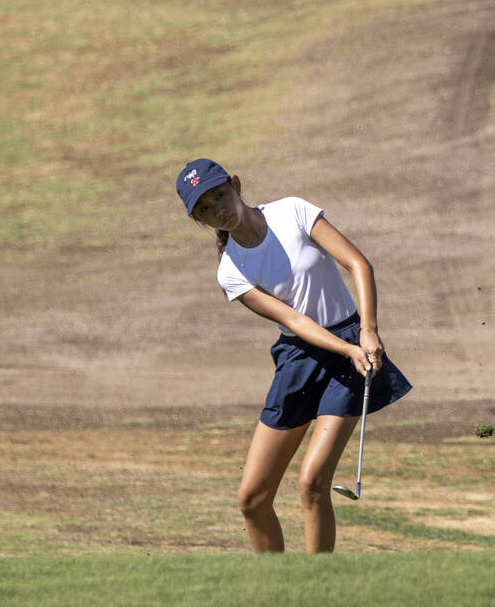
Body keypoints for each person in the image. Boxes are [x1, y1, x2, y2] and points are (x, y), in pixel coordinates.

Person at [175, 158, 412, 553]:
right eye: (204, 208)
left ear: (235, 184)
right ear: (197, 218)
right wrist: (347, 348)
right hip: (300, 358)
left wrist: (367, 331)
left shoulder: (292, 211)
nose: (218, 209)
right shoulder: (230, 272)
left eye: (219, 195)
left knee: (312, 483)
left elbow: (357, 263)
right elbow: (295, 322)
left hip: (349, 345)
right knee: (251, 499)